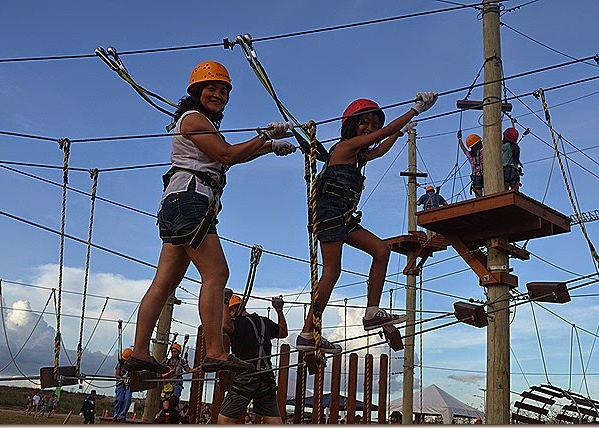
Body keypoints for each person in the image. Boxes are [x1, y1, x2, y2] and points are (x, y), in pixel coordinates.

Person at [124, 60, 295, 375]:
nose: (219, 94)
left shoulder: (202, 125)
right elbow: (227, 155)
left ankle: (140, 353)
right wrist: (263, 138)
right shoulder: (193, 119)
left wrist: (268, 146)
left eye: (223, 90)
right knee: (217, 273)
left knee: (164, 282)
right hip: (191, 201)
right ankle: (216, 350)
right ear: (197, 90)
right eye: (212, 88)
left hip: (178, 203)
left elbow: (228, 154)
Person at [296, 93, 438, 353]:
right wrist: (414, 111)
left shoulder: (358, 156)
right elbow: (381, 135)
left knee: (381, 250)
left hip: (343, 218)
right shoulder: (344, 148)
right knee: (332, 271)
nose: (370, 128)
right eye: (365, 123)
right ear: (351, 125)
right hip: (330, 217)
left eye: (374, 124)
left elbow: (381, 149)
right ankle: (307, 332)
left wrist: (400, 132)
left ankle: (372, 312)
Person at [217, 289, 288, 424]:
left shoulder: (237, 323)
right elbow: (283, 332)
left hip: (245, 379)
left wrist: (225, 300)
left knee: (223, 421)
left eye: (228, 311)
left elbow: (226, 325)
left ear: (234, 309)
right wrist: (279, 310)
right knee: (275, 423)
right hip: (266, 379)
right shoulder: (264, 322)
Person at [459, 132, 484, 197]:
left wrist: (460, 139)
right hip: (485, 175)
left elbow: (464, 149)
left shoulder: (470, 155)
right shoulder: (483, 151)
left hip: (476, 176)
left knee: (479, 197)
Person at [113, 347, 133, 421]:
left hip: (129, 384)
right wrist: (122, 378)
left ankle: (122, 415)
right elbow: (117, 375)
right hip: (121, 383)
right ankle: (116, 414)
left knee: (127, 399)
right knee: (119, 399)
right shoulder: (120, 364)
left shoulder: (133, 365)